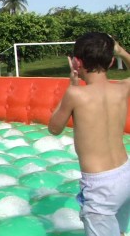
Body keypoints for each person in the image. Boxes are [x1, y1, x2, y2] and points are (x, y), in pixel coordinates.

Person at [48, 32, 130, 236]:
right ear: (112, 61)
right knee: (118, 231)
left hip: (100, 185)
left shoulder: (76, 94)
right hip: (125, 174)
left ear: (77, 62)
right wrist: (122, 52)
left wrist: (72, 85)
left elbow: (54, 128)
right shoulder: (122, 89)